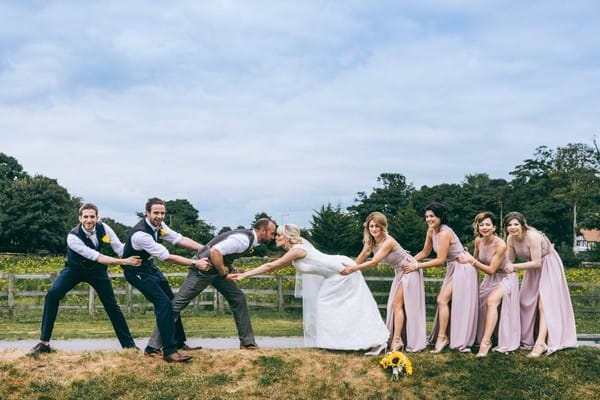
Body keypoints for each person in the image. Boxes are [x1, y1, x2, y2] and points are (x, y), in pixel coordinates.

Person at [231, 224, 389, 354]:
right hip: (333, 275)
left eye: (278, 235)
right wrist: (246, 273)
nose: (275, 238)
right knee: (329, 306)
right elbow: (272, 268)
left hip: (343, 270)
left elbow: (271, 265)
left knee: (328, 304)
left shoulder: (297, 250)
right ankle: (338, 343)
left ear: (287, 236)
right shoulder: (295, 252)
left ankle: (362, 340)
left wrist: (245, 275)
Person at [146, 218, 277, 352]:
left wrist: (230, 269)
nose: (273, 237)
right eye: (272, 233)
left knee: (238, 298)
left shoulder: (248, 239)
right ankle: (152, 347)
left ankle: (247, 343)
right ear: (263, 231)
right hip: (203, 270)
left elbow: (225, 254)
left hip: (215, 271)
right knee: (177, 305)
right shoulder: (243, 240)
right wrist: (224, 274)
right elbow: (215, 251)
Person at [28, 203, 142, 356]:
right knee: (53, 294)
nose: (89, 220)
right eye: (86, 217)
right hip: (75, 269)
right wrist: (125, 262)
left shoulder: (105, 228)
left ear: (97, 217)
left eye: (92, 217)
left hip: (97, 271)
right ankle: (44, 343)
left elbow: (120, 249)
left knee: (112, 305)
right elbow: (97, 256)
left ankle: (129, 347)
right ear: (80, 218)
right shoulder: (72, 237)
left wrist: (137, 252)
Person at [121, 197, 209, 363]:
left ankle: (180, 343)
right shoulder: (141, 234)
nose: (159, 216)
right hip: (136, 272)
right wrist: (195, 263)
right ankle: (169, 351)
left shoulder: (159, 226)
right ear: (147, 213)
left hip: (149, 267)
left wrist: (205, 248)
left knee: (172, 302)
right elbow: (167, 257)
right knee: (163, 304)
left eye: (162, 213)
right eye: (156, 213)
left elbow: (179, 239)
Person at [340, 211, 427, 352]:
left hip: (410, 270)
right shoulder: (371, 241)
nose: (374, 229)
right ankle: (398, 338)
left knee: (396, 304)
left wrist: (353, 268)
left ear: (383, 227)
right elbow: (363, 256)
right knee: (395, 306)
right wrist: (351, 268)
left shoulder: (388, 242)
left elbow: (374, 262)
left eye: (377, 226)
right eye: (371, 226)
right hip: (399, 272)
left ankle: (397, 341)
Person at [403, 202, 478, 353]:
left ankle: (443, 337)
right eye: (427, 216)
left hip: (463, 267)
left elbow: (440, 260)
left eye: (432, 216)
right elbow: (425, 252)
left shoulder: (444, 233)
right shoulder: (431, 230)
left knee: (442, 300)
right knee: (446, 302)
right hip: (453, 267)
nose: (429, 219)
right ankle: (446, 335)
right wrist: (407, 261)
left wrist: (416, 266)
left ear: (440, 217)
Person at [502, 211, 577, 357]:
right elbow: (508, 262)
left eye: (516, 224)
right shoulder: (510, 239)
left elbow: (537, 262)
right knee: (525, 301)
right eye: (509, 225)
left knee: (545, 304)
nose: (512, 227)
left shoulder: (533, 237)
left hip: (548, 265)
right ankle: (527, 337)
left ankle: (541, 343)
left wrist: (515, 267)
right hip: (532, 270)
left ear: (523, 225)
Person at [457, 211, 520, 357]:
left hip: (506, 278)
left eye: (488, 224)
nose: (484, 227)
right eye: (481, 224)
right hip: (490, 280)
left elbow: (491, 269)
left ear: (494, 227)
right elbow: (475, 261)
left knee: (491, 301)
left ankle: (486, 343)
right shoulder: (478, 242)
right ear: (478, 227)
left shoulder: (500, 244)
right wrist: (466, 257)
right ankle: (475, 336)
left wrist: (471, 261)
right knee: (477, 301)